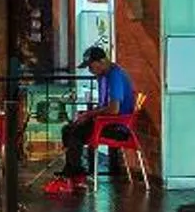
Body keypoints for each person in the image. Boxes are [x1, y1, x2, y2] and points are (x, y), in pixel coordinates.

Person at [49, 45, 138, 192]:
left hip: (117, 127)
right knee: (68, 129)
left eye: (91, 66)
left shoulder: (115, 76)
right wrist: (87, 115)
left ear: (102, 61)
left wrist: (90, 115)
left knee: (77, 132)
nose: (90, 71)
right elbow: (103, 106)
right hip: (106, 122)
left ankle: (73, 175)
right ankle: (74, 172)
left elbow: (114, 109)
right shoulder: (103, 77)